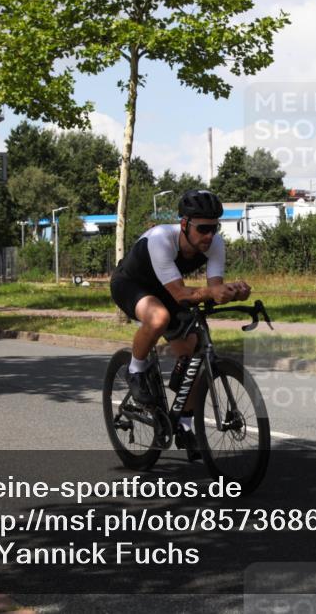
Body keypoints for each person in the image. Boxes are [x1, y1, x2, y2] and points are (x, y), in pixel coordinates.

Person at [109, 189, 251, 460]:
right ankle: (136, 370)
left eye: (214, 228)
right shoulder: (162, 239)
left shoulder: (215, 244)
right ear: (184, 224)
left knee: (197, 352)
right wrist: (213, 293)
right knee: (159, 317)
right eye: (203, 228)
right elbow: (182, 295)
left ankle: (184, 426)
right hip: (131, 284)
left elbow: (213, 290)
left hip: (168, 288)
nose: (209, 235)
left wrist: (234, 291)